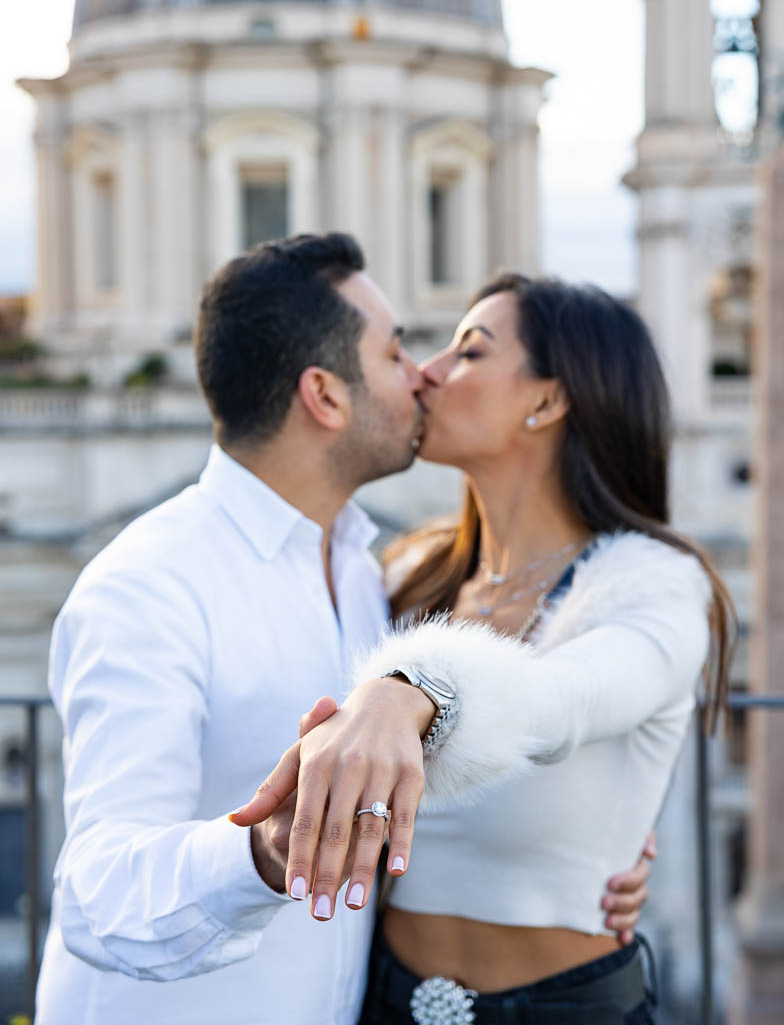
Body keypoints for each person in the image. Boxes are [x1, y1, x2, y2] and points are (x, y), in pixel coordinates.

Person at [36, 237, 650, 1025]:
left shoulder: (373, 574)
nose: (422, 374)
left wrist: (593, 847)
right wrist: (264, 850)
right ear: (325, 396)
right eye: (395, 354)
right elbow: (98, 894)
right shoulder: (149, 587)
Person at [234, 274, 736, 1024]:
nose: (429, 370)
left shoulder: (653, 590)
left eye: (469, 352)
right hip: (377, 997)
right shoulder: (402, 578)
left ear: (547, 400)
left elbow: (560, 702)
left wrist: (405, 690)